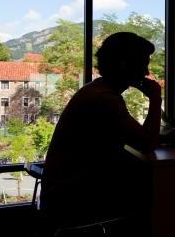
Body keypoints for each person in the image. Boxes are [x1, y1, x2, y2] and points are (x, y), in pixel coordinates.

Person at [40, 32, 161, 231]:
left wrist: (160, 137)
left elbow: (128, 134)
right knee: (156, 192)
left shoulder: (96, 90)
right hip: (75, 198)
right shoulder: (105, 99)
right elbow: (146, 143)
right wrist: (156, 99)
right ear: (124, 64)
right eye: (143, 64)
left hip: (64, 192)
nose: (147, 72)